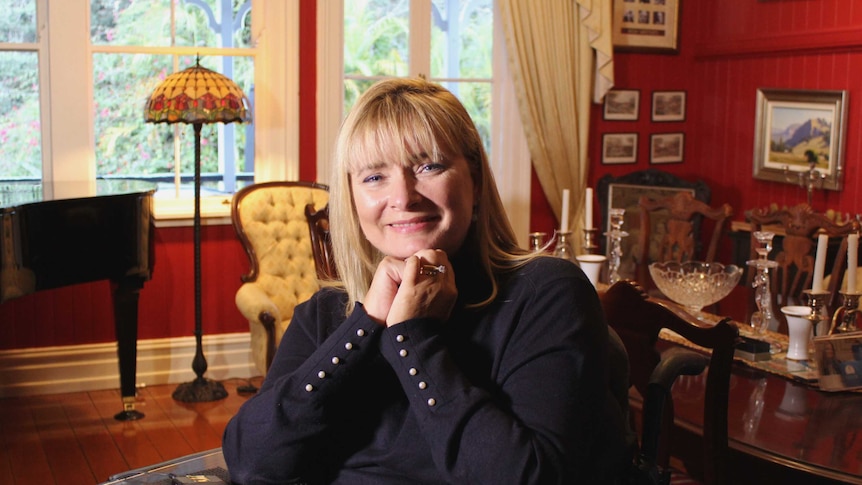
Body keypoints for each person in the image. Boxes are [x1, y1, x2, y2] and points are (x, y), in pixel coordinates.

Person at [222, 78, 628, 484]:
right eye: (374, 177)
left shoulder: (546, 293)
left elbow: (529, 477)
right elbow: (251, 463)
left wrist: (412, 335)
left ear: (476, 182)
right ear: (351, 198)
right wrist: (366, 324)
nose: (404, 196)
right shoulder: (328, 311)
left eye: (428, 165)